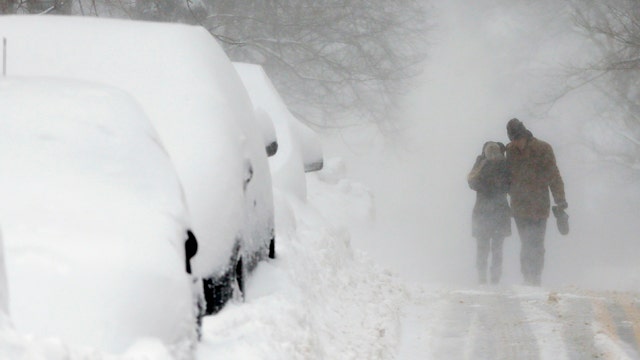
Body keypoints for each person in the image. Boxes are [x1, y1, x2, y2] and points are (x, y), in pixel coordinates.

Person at [505, 118, 567, 286]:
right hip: (518, 206)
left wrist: (560, 200)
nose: (516, 143)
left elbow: (554, 176)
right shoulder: (509, 151)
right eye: (513, 140)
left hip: (539, 205)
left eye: (518, 138)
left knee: (537, 243)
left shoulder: (543, 149)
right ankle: (527, 276)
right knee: (526, 242)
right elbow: (505, 176)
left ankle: (536, 277)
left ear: (524, 134)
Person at [468, 141, 511, 284]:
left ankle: (494, 278)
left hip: (492, 211)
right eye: (489, 151)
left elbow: (509, 184)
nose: (492, 155)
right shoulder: (481, 163)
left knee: (494, 247)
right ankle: (484, 277)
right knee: (485, 247)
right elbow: (472, 181)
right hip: (487, 211)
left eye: (495, 152)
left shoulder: (504, 165)